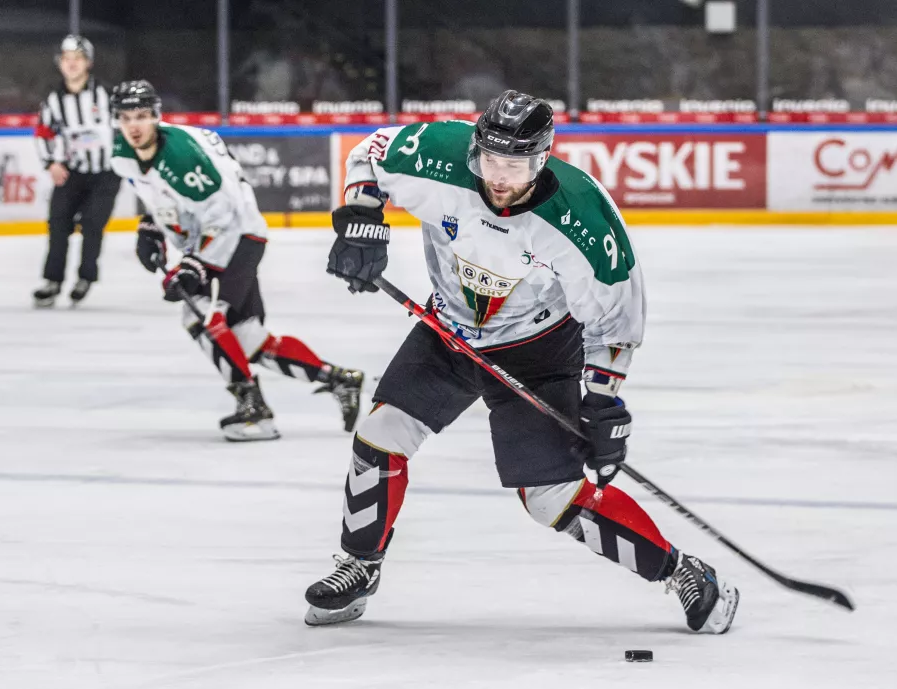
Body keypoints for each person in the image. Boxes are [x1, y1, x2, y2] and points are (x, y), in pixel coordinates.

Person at [302, 90, 740, 633]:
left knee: (550, 499)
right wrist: (361, 219)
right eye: (489, 161)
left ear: (542, 159)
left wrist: (602, 401)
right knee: (380, 434)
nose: (499, 178)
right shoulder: (438, 152)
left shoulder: (582, 216)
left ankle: (681, 571)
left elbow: (616, 320)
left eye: (514, 166)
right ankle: (359, 566)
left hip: (540, 349)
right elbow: (369, 152)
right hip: (448, 329)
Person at [109, 80, 364, 441]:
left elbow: (223, 216)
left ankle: (254, 411)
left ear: (156, 116)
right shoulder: (123, 150)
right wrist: (151, 226)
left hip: (237, 235)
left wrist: (193, 265)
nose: (133, 125)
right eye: (125, 117)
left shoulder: (182, 158)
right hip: (218, 234)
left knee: (200, 316)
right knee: (246, 338)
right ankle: (339, 380)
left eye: (141, 116)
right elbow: (157, 192)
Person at [32, 35, 120, 307]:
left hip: (106, 173)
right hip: (73, 171)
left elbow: (126, 126)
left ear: (88, 63)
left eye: (77, 59)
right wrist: (52, 163)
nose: (71, 64)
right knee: (58, 223)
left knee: (93, 224)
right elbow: (43, 132)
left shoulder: (106, 95)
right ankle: (53, 281)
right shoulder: (53, 99)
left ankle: (86, 277)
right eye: (66, 59)